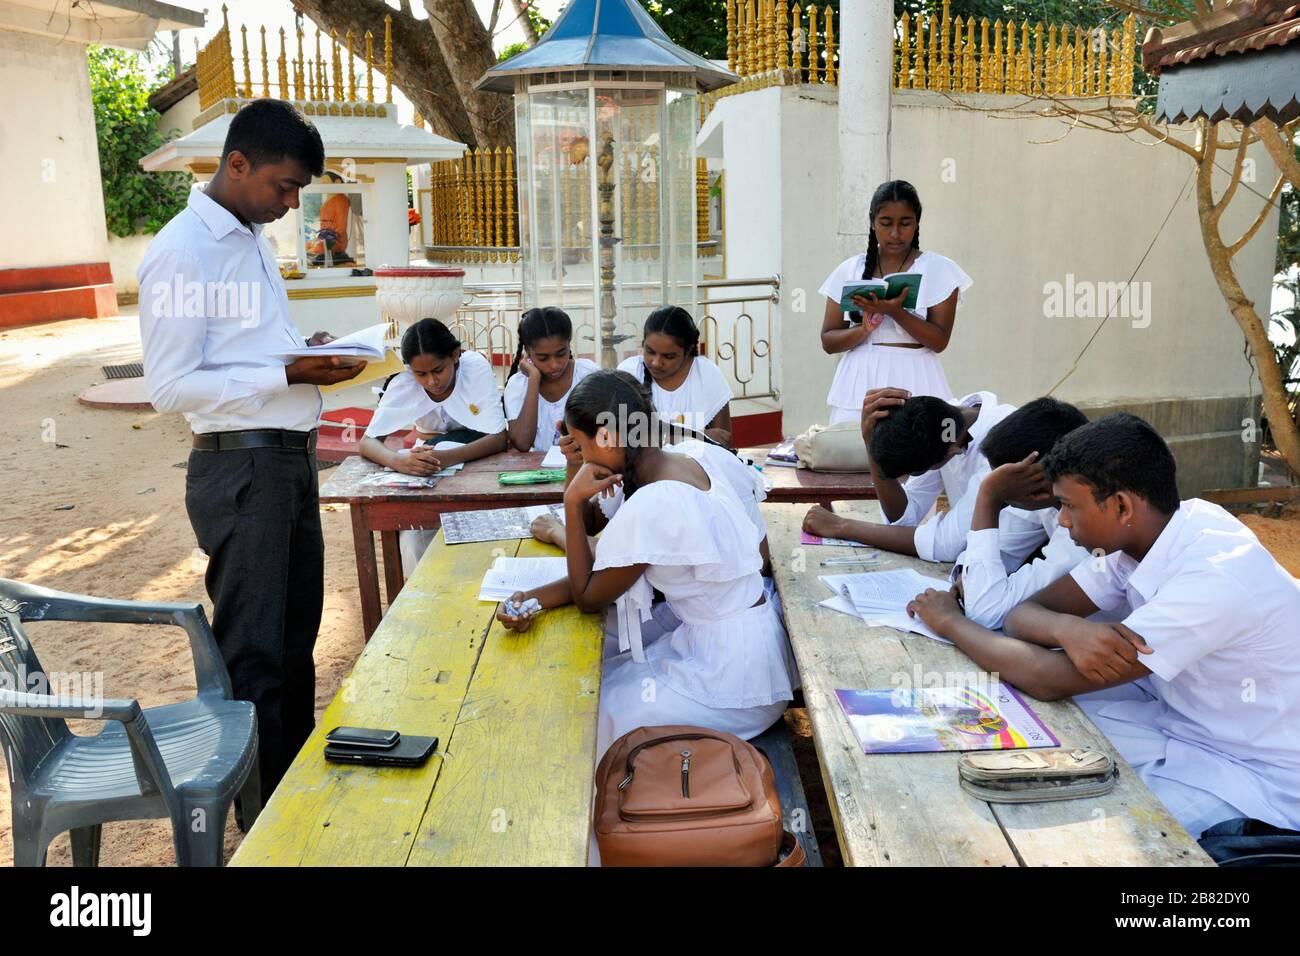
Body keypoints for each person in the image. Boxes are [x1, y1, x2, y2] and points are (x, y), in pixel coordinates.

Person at [907, 413, 1300, 836]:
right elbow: (1019, 615)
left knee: (1079, 826)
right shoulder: (1141, 540)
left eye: (1069, 506)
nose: (1061, 520)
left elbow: (1047, 677)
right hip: (1180, 723)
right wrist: (1066, 629)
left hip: (1255, 775)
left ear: (1121, 505)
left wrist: (949, 622)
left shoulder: (1214, 578)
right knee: (1020, 729)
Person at [138, 99, 365, 803]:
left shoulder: (251, 239)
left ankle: (291, 799)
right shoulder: (182, 252)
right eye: (285, 186)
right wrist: (286, 371)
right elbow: (170, 385)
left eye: (300, 190)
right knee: (255, 651)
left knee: (295, 643)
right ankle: (261, 819)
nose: (294, 202)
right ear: (237, 165)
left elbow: (247, 353)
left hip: (287, 461)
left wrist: (306, 353)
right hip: (241, 468)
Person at [495, 370, 797, 756]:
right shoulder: (690, 456)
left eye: (582, 446)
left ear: (607, 438)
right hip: (737, 647)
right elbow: (607, 574)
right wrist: (533, 598)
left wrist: (572, 502)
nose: (583, 457)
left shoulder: (655, 502)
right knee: (605, 678)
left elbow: (590, 596)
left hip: (736, 683)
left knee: (594, 713)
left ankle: (597, 810)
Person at [359, 318, 508, 574]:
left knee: (479, 534)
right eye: (421, 374)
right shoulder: (404, 382)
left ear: (455, 355)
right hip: (427, 465)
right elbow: (367, 442)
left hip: (476, 459)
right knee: (415, 535)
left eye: (438, 370)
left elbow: (498, 438)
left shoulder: (474, 369)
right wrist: (398, 461)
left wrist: (446, 458)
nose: (431, 381)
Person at [818, 180, 972, 423]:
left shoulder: (939, 270)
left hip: (917, 377)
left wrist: (896, 312)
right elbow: (828, 341)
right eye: (886, 223)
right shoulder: (849, 270)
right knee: (855, 454)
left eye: (905, 223)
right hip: (860, 379)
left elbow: (939, 341)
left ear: (917, 222)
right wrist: (864, 329)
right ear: (872, 222)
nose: (895, 234)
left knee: (917, 452)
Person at [802, 387, 1015, 561]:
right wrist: (871, 441)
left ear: (951, 452)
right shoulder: (943, 428)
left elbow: (943, 545)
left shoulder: (1004, 445)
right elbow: (904, 518)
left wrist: (842, 526)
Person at [952, 398, 1093, 629]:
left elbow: (987, 612)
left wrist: (989, 497)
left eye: (1006, 481)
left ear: (1037, 482)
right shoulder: (1046, 503)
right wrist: (964, 576)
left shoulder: (1086, 538)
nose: (1000, 487)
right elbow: (998, 551)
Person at [617, 306, 733, 446]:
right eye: (650, 351)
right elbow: (623, 437)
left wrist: (665, 438)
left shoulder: (707, 374)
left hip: (695, 466)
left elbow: (723, 441)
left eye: (669, 356)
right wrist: (696, 437)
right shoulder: (630, 372)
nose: (656, 362)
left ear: (688, 351)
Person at [502, 307, 598, 452]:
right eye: (542, 358)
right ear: (528, 352)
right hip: (539, 471)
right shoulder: (518, 384)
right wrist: (534, 379)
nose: (554, 365)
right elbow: (522, 442)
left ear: (569, 344)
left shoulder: (587, 374)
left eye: (561, 354)